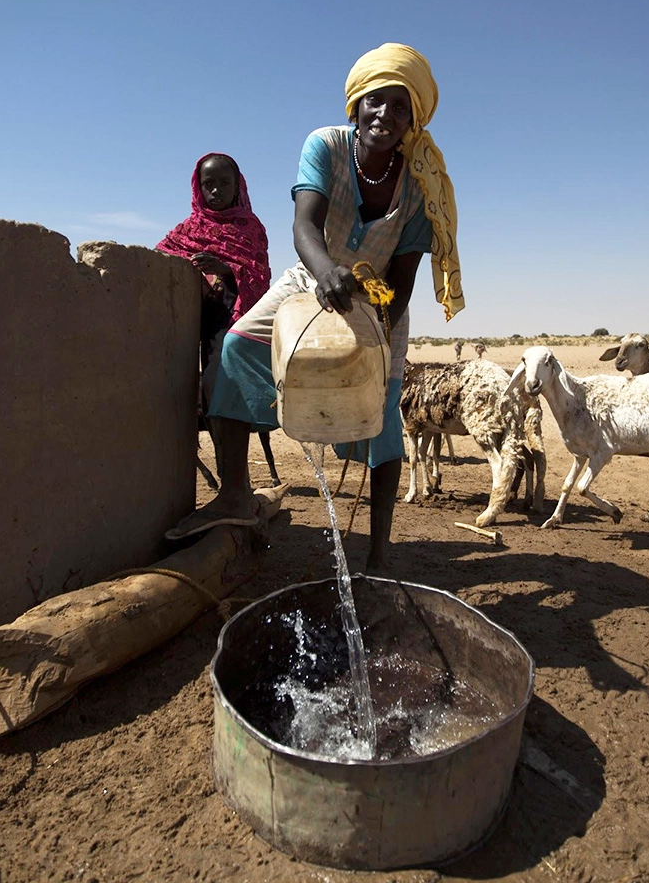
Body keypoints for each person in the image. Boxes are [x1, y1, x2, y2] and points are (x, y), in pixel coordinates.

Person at [166, 43, 463, 571]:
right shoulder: (325, 146)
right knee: (236, 350)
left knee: (381, 415)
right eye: (376, 101)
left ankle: (378, 552)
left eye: (400, 107)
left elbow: (403, 276)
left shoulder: (419, 188)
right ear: (356, 104)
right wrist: (327, 274)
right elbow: (305, 226)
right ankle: (235, 493)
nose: (385, 115)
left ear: (413, 119)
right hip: (312, 278)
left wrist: (372, 337)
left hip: (378, 301)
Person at [154, 153, 271, 429]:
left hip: (228, 324)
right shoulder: (188, 229)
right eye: (209, 184)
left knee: (218, 388)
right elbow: (160, 258)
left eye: (224, 183)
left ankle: (230, 467)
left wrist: (227, 269)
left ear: (237, 186)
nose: (216, 190)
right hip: (187, 325)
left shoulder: (249, 227)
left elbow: (259, 278)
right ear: (199, 187)